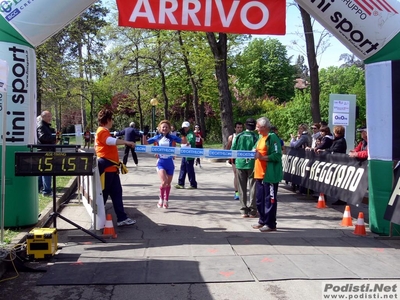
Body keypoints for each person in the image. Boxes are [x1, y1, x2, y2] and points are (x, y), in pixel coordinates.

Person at [95, 108, 136, 227]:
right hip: (106, 170)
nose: (112, 121)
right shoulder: (102, 131)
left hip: (112, 169)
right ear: (108, 120)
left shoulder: (103, 131)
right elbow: (109, 141)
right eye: (111, 119)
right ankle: (97, 220)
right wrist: (127, 142)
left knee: (117, 193)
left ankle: (122, 218)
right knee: (103, 194)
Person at [252, 116, 283, 232]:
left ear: (265, 127)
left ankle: (271, 224)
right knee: (259, 200)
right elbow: (254, 149)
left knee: (270, 200)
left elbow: (277, 155)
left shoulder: (272, 137)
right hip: (259, 174)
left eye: (258, 127)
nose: (256, 129)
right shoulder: (260, 137)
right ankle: (262, 220)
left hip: (269, 175)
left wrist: (263, 157)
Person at [147, 120, 187, 208]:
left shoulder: (172, 137)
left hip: (170, 163)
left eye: (166, 127)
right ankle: (161, 198)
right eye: (163, 127)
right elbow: (145, 143)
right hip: (161, 162)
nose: (164, 128)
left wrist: (184, 134)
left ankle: (166, 200)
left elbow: (184, 142)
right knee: (164, 182)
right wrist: (144, 134)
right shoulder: (157, 137)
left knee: (168, 184)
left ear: (169, 129)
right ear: (160, 129)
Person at [231, 118, 259, 218]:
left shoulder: (238, 136)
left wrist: (233, 162)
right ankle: (253, 210)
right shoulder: (256, 137)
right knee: (253, 187)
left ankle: (243, 210)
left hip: (240, 164)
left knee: (241, 188)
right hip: (252, 164)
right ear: (254, 126)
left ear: (245, 125)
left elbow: (233, 150)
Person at [37, 110, 57, 197]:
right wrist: (53, 137)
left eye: (50, 116)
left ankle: (40, 188)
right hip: (44, 151)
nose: (50, 118)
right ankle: (47, 191)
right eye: (48, 116)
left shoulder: (46, 126)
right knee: (47, 171)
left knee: (42, 171)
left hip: (46, 150)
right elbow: (42, 137)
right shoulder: (41, 126)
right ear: (43, 117)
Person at [175, 121, 197, 189]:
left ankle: (193, 184)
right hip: (184, 154)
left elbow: (191, 140)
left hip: (190, 154)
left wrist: (188, 142)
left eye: (186, 127)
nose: (185, 128)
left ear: (188, 127)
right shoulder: (185, 134)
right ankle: (181, 183)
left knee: (190, 170)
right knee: (183, 169)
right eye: (183, 127)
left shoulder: (191, 134)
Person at [226, 122, 244, 200]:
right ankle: (237, 192)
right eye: (238, 127)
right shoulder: (232, 137)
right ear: (235, 128)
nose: (239, 129)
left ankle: (242, 191)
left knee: (243, 176)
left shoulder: (245, 136)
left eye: (241, 127)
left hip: (243, 158)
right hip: (234, 158)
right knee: (236, 174)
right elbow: (227, 148)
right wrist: (229, 143)